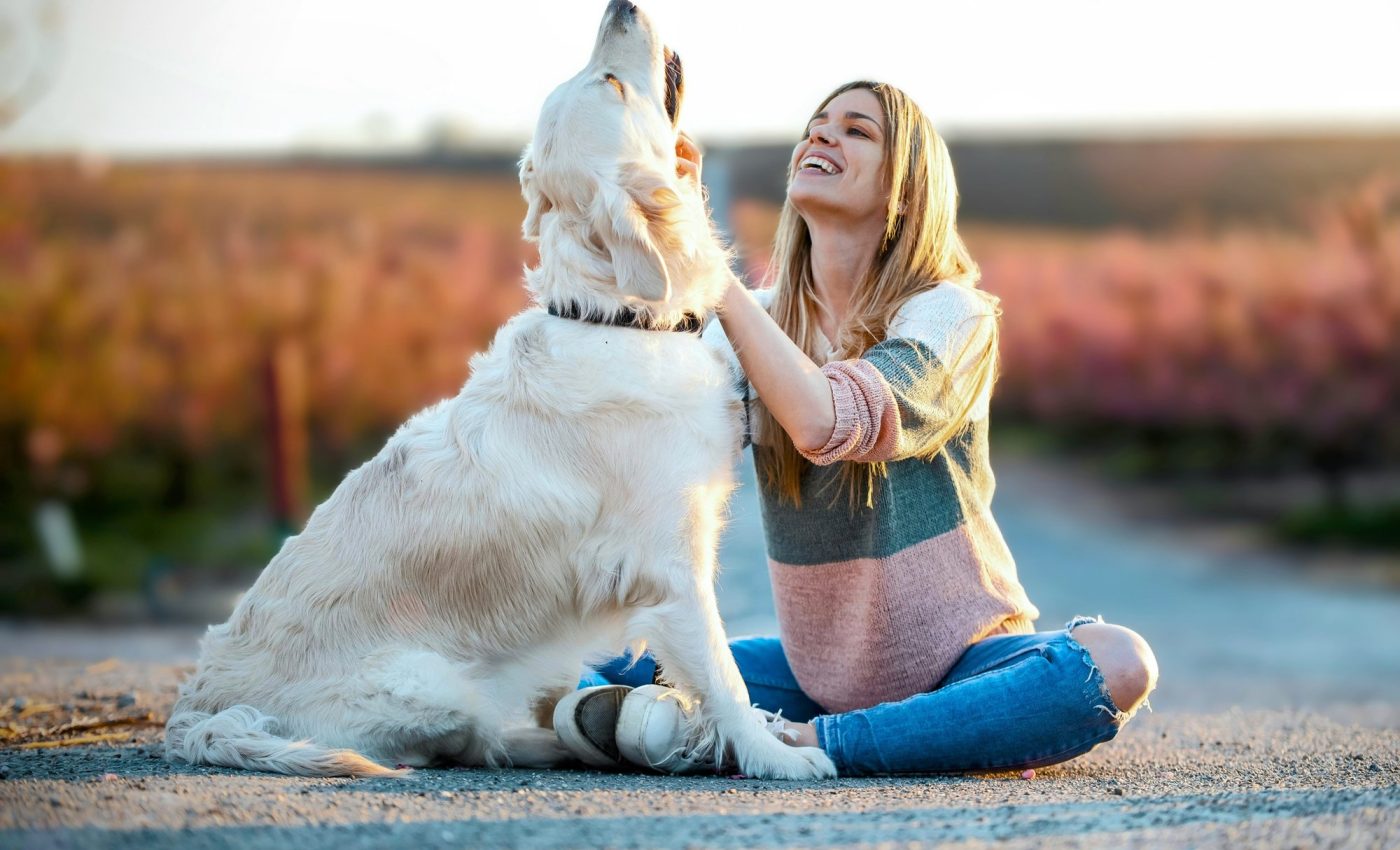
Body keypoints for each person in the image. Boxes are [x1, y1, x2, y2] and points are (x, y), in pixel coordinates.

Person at [554, 81, 1158, 776]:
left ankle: (816, 743)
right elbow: (650, 446)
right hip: (814, 676)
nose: (821, 136)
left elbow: (824, 423)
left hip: (966, 660)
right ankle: (708, 733)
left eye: (856, 130)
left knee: (1116, 661)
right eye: (815, 125)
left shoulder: (951, 315)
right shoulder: (753, 321)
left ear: (905, 188)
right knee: (572, 655)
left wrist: (709, 272)